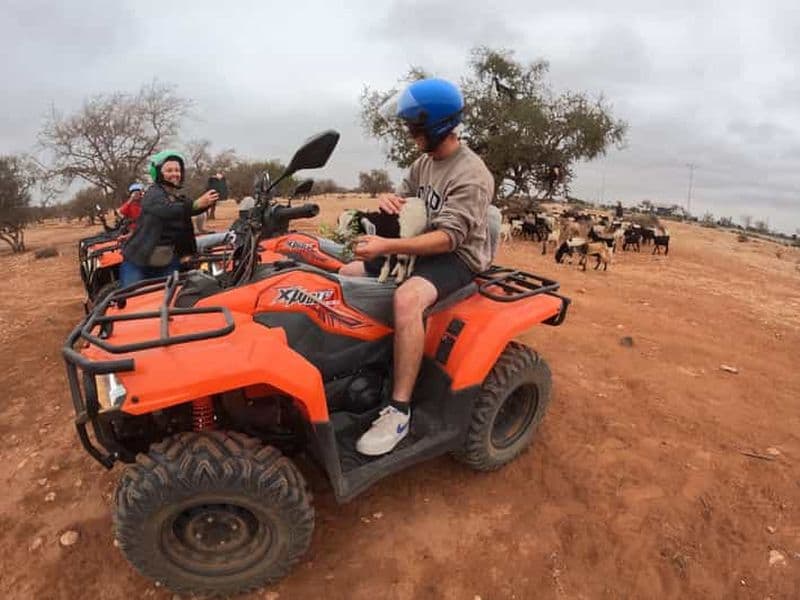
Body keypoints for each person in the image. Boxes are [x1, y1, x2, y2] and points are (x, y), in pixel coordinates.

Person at [339, 78, 494, 456]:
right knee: (347, 273)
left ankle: (399, 409)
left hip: (457, 256)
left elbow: (449, 238)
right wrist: (389, 200)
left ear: (438, 126)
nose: (409, 134)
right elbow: (405, 200)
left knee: (408, 299)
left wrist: (387, 246)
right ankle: (366, 364)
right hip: (421, 246)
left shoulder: (472, 175)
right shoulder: (423, 163)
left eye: (414, 127)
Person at [120, 150, 218, 287]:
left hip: (166, 262)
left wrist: (209, 199)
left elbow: (188, 210)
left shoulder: (176, 198)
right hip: (138, 261)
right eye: (169, 170)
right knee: (132, 298)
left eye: (177, 170)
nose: (175, 174)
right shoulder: (152, 194)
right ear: (158, 172)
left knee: (169, 298)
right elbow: (167, 210)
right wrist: (196, 204)